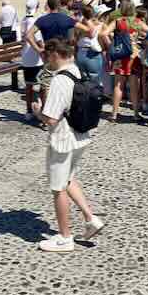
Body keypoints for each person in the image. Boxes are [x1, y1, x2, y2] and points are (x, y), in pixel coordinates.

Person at [32, 39, 105, 252]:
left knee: (58, 187)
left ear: (55, 54)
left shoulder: (59, 80)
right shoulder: (77, 71)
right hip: (81, 135)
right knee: (69, 178)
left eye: (47, 57)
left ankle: (65, 237)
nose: (46, 61)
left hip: (63, 139)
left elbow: (51, 119)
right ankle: (91, 218)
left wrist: (38, 111)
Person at [107, 0, 148, 123]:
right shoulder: (137, 22)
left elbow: (103, 33)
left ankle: (114, 114)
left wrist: (112, 43)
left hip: (120, 55)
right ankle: (135, 114)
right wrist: (139, 40)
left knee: (118, 85)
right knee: (134, 86)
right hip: (133, 56)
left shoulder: (117, 21)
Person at [20, 0, 45, 123]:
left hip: (25, 56)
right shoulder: (36, 21)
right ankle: (44, 112)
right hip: (36, 58)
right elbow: (39, 40)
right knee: (41, 86)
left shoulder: (23, 20)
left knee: (29, 85)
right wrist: (43, 52)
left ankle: (29, 111)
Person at [74, 4, 105, 86]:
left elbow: (74, 40)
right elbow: (96, 36)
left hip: (80, 52)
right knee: (96, 79)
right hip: (92, 53)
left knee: (84, 79)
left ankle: (86, 97)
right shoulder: (97, 24)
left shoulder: (78, 24)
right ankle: (95, 97)